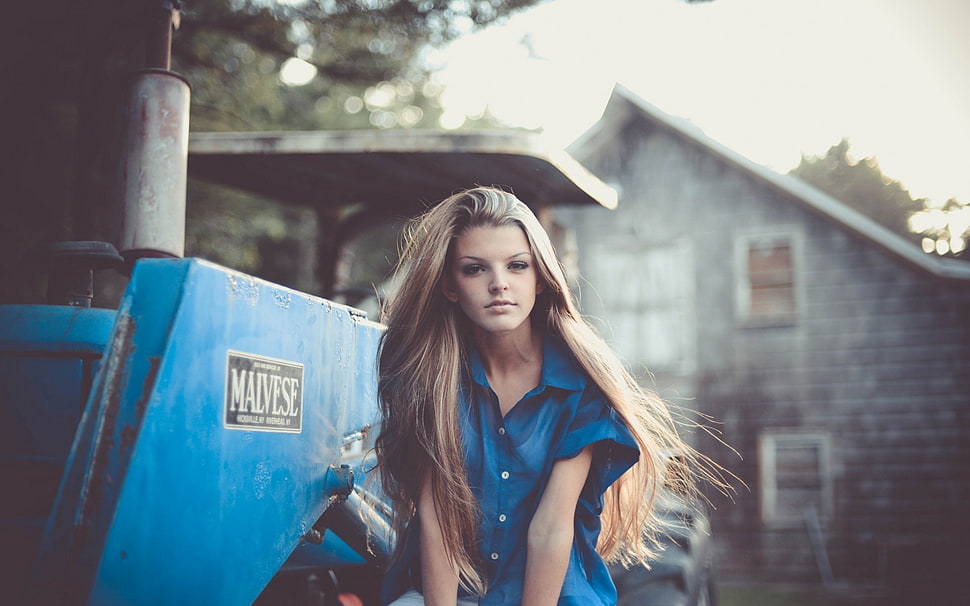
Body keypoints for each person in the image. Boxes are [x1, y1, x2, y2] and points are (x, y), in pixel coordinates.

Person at [373, 187, 713, 606]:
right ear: (449, 286)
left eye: (517, 266)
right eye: (475, 269)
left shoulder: (582, 389)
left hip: (552, 595)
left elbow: (551, 528)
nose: (499, 284)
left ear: (540, 278)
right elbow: (438, 518)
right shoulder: (431, 380)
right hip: (454, 592)